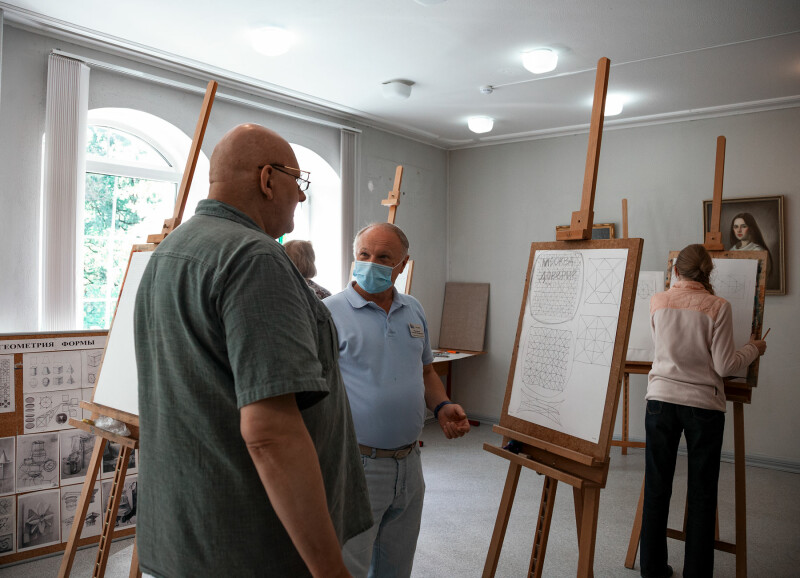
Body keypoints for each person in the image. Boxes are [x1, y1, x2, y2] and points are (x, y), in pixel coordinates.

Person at [134, 123, 371, 578]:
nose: (301, 198)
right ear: (267, 179)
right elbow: (270, 434)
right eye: (297, 183)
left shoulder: (168, 252)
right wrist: (329, 569)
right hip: (252, 543)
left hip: (185, 529)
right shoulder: (254, 257)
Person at [323, 222, 470, 578]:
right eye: (364, 254)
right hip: (356, 463)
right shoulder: (328, 313)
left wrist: (441, 405)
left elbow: (426, 372)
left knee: (396, 564)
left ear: (402, 265)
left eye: (383, 257)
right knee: (349, 564)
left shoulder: (413, 310)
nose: (371, 262)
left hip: (409, 461)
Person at [640, 244, 767, 578]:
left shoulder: (658, 302)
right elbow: (725, 366)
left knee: (656, 487)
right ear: (708, 273)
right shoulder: (718, 306)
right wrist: (753, 348)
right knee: (701, 492)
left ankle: (652, 570)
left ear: (676, 271)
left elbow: (660, 350)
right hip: (703, 408)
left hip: (660, 402)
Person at [728, 212, 772, 278]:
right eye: (736, 227)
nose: (739, 230)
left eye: (743, 226)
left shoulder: (759, 251)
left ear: (751, 228)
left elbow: (761, 280)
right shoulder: (731, 251)